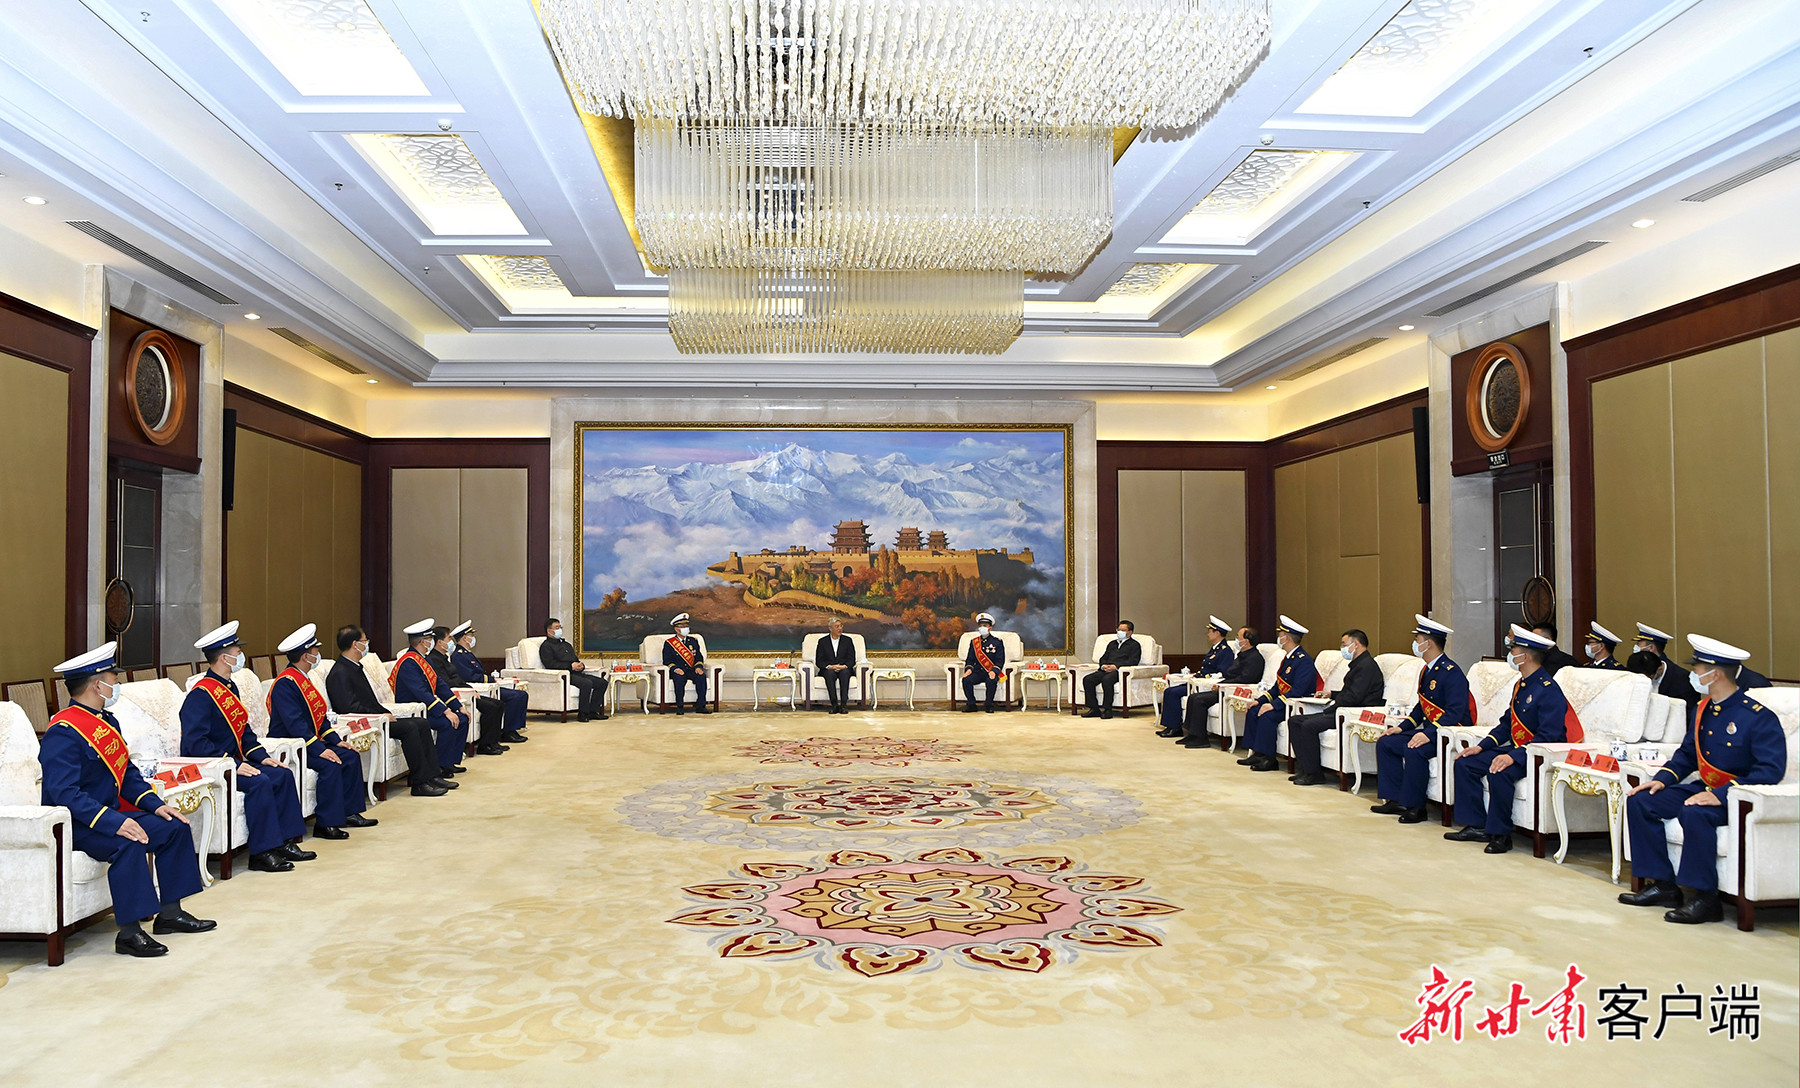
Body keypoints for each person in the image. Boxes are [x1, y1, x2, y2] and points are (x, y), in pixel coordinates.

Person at [40, 641, 214, 958]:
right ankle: (130, 934)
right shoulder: (63, 731)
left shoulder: (108, 721)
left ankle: (171, 913)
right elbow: (65, 793)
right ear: (97, 685)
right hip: (78, 824)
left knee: (174, 826)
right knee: (129, 841)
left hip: (109, 815)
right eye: (114, 679)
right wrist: (116, 822)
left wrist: (156, 805)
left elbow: (127, 775)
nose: (117, 684)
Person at [1620, 634, 1788, 924]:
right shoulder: (1703, 709)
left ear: (1716, 674)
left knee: (1695, 812)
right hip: (1705, 786)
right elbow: (1687, 754)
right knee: (1642, 801)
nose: (1693, 673)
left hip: (1737, 795)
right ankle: (1663, 885)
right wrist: (1662, 779)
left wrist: (1721, 795)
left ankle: (1706, 899)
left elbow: (1771, 770)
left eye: (1697, 668)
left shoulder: (1757, 717)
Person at [179, 621, 311, 872]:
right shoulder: (201, 695)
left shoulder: (229, 687)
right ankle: (262, 853)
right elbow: (195, 743)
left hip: (234, 762)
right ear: (224, 657)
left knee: (281, 773)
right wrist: (233, 764)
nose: (241, 655)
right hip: (215, 766)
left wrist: (262, 757)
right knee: (260, 782)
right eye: (237, 651)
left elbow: (244, 732)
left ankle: (285, 842)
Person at [1445, 625, 1582, 854]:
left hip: (1536, 755)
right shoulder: (1522, 684)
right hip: (1519, 749)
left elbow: (1548, 737)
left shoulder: (1548, 689)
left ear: (1525, 656)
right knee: (1465, 762)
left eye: (1514, 649)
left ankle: (1501, 835)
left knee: (1500, 771)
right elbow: (1507, 724)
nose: (1510, 653)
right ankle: (1477, 826)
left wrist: (1513, 757)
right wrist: (1482, 747)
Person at [266, 624, 377, 840]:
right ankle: (326, 823)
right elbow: (295, 725)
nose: (318, 654)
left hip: (309, 741)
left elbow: (319, 716)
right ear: (305, 656)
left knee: (349, 755)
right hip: (293, 745)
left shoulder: (304, 678)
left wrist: (335, 740)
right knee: (330, 764)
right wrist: (320, 749)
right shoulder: (285, 684)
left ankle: (350, 812)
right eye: (315, 651)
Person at [325, 624, 451, 796]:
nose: (367, 644)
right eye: (365, 641)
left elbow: (370, 700)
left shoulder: (355, 667)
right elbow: (348, 707)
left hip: (377, 718)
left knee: (421, 723)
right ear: (355, 644)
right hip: (364, 723)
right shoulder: (340, 672)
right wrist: (380, 715)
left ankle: (432, 775)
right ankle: (420, 783)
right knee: (410, 728)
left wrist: (386, 712)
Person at [1371, 616, 1473, 822]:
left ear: (1428, 644)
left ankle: (1416, 807)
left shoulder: (1451, 672)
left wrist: (1428, 734)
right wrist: (1402, 728)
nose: (1415, 643)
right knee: (1386, 742)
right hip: (1432, 731)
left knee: (1414, 749)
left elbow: (1454, 713)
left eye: (1417, 639)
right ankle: (1395, 799)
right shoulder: (1428, 669)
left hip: (1448, 733)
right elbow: (1422, 707)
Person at [1287, 629, 1384, 786]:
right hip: (1342, 709)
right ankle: (1305, 769)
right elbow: (1350, 692)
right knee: (1295, 721)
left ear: (1356, 644)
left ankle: (1314, 774)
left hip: (1353, 714)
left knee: (1308, 726)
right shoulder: (1358, 664)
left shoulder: (1367, 666)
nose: (1342, 648)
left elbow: (1354, 697)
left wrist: (1333, 706)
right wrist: (1331, 694)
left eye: (1344, 644)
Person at [1239, 616, 1321, 771]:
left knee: (1267, 715)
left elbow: (1297, 691)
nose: (1278, 638)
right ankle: (1257, 753)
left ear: (1287, 638)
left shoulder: (1303, 661)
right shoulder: (1289, 658)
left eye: (1280, 635)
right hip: (1284, 701)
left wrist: (1273, 705)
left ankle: (1269, 759)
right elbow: (1277, 688)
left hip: (1296, 705)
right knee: (1254, 710)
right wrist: (1260, 701)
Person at [390, 618, 470, 775]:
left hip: (427, 707)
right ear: (422, 641)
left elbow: (439, 685)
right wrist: (446, 711)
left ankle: (449, 762)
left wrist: (458, 706)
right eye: (430, 638)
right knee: (447, 723)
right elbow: (421, 692)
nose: (432, 641)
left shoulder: (424, 659)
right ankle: (439, 766)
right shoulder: (408, 662)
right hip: (415, 710)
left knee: (462, 718)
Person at [1178, 627, 1263, 748]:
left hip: (1233, 691)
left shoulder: (1254, 658)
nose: (1236, 640)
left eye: (1238, 637)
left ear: (1246, 641)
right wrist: (1220, 683)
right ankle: (1192, 734)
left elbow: (1245, 679)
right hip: (1225, 688)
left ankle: (1201, 738)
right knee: (1193, 697)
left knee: (1199, 700)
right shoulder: (1241, 655)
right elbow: (1230, 674)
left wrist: (1223, 685)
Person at [450, 621, 530, 744]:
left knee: (522, 694)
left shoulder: (468, 654)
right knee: (514, 697)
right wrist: (491, 679)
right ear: (465, 638)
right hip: (479, 688)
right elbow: (469, 676)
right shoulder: (458, 656)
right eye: (471, 635)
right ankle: (508, 731)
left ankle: (514, 728)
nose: (473, 638)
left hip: (487, 686)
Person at [433, 625, 506, 756]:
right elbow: (446, 683)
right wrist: (467, 690)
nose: (451, 642)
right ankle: (485, 745)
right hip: (458, 695)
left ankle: (493, 742)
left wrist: (471, 689)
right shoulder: (434, 659)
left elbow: (458, 679)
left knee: (498, 704)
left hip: (465, 691)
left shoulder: (444, 657)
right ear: (439, 642)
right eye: (448, 639)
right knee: (491, 708)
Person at [1155, 616, 1235, 737]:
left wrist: (1203, 678)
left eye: (1210, 631)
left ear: (1217, 633)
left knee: (1174, 693)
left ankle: (1175, 728)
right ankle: (1170, 726)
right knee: (1169, 691)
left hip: (1206, 685)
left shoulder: (1225, 651)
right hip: (1197, 682)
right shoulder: (1214, 649)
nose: (1208, 634)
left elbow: (1222, 673)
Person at [539, 617, 608, 721]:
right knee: (586, 683)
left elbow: (575, 660)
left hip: (577, 673)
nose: (560, 630)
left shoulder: (566, 645)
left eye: (560, 627)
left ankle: (593, 711)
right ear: (549, 631)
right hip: (564, 675)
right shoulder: (546, 646)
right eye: (557, 628)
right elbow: (550, 664)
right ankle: (583, 714)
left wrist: (580, 665)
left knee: (602, 683)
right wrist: (570, 666)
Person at [1081, 620, 1143, 719]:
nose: (1120, 632)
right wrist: (1103, 665)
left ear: (1130, 632)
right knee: (1088, 679)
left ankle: (1107, 709)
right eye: (1119, 630)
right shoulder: (1112, 644)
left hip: (1120, 671)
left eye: (1123, 630)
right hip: (1106, 669)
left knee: (1107, 680)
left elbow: (1133, 661)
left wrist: (1116, 666)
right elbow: (1103, 658)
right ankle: (1094, 709)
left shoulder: (1135, 645)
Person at [663, 613, 712, 714]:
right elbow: (667, 660)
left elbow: (698, 657)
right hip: (678, 670)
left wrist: (698, 667)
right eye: (683, 626)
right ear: (676, 629)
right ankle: (680, 707)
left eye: (686, 626)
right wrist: (675, 669)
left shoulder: (693, 641)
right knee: (679, 679)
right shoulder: (669, 643)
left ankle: (701, 706)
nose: (686, 628)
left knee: (701, 677)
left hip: (691, 669)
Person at [960, 612, 1007, 713]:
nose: (982, 628)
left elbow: (1000, 660)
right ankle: (971, 704)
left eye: (985, 626)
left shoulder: (997, 642)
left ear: (990, 627)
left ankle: (989, 705)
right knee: (966, 680)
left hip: (990, 671)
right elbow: (970, 659)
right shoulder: (974, 642)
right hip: (978, 672)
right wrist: (968, 670)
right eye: (980, 626)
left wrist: (994, 671)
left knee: (991, 681)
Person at [814, 617, 857, 714]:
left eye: (841, 626)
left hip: (844, 668)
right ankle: (834, 705)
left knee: (845, 673)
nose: (840, 628)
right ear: (830, 628)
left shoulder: (848, 640)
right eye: (837, 626)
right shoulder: (822, 641)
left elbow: (851, 660)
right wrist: (830, 666)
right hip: (829, 669)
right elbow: (819, 661)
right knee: (829, 674)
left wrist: (843, 666)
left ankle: (843, 705)